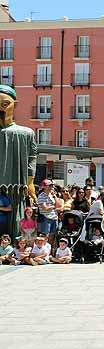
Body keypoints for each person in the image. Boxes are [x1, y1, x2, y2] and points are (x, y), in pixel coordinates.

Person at [0, 85, 38, 238]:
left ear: (14, 105)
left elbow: (32, 158)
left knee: (16, 222)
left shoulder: (26, 133)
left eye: (5, 104)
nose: (1, 109)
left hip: (17, 188)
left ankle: (16, 249)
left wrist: (29, 182)